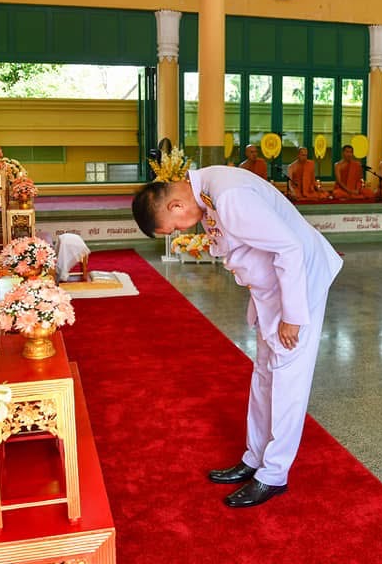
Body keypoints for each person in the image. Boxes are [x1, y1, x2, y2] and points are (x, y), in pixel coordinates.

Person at [131, 165, 343, 506]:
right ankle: (254, 457)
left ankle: (273, 474)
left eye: (176, 226)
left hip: (299, 287)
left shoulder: (228, 196)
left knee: (287, 380)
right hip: (271, 289)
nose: (183, 229)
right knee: (264, 375)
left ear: (175, 207)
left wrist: (292, 315)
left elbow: (289, 250)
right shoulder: (207, 192)